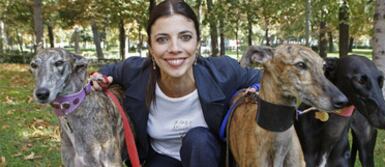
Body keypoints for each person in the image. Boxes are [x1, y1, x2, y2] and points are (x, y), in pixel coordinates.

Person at [94, 0, 261, 166]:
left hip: (207, 157)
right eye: (162, 39)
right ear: (150, 47)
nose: (174, 48)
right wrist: (99, 78)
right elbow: (108, 72)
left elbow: (260, 77)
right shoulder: (134, 72)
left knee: (198, 139)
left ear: (197, 43)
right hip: (161, 158)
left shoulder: (222, 71)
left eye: (185, 37)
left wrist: (255, 89)